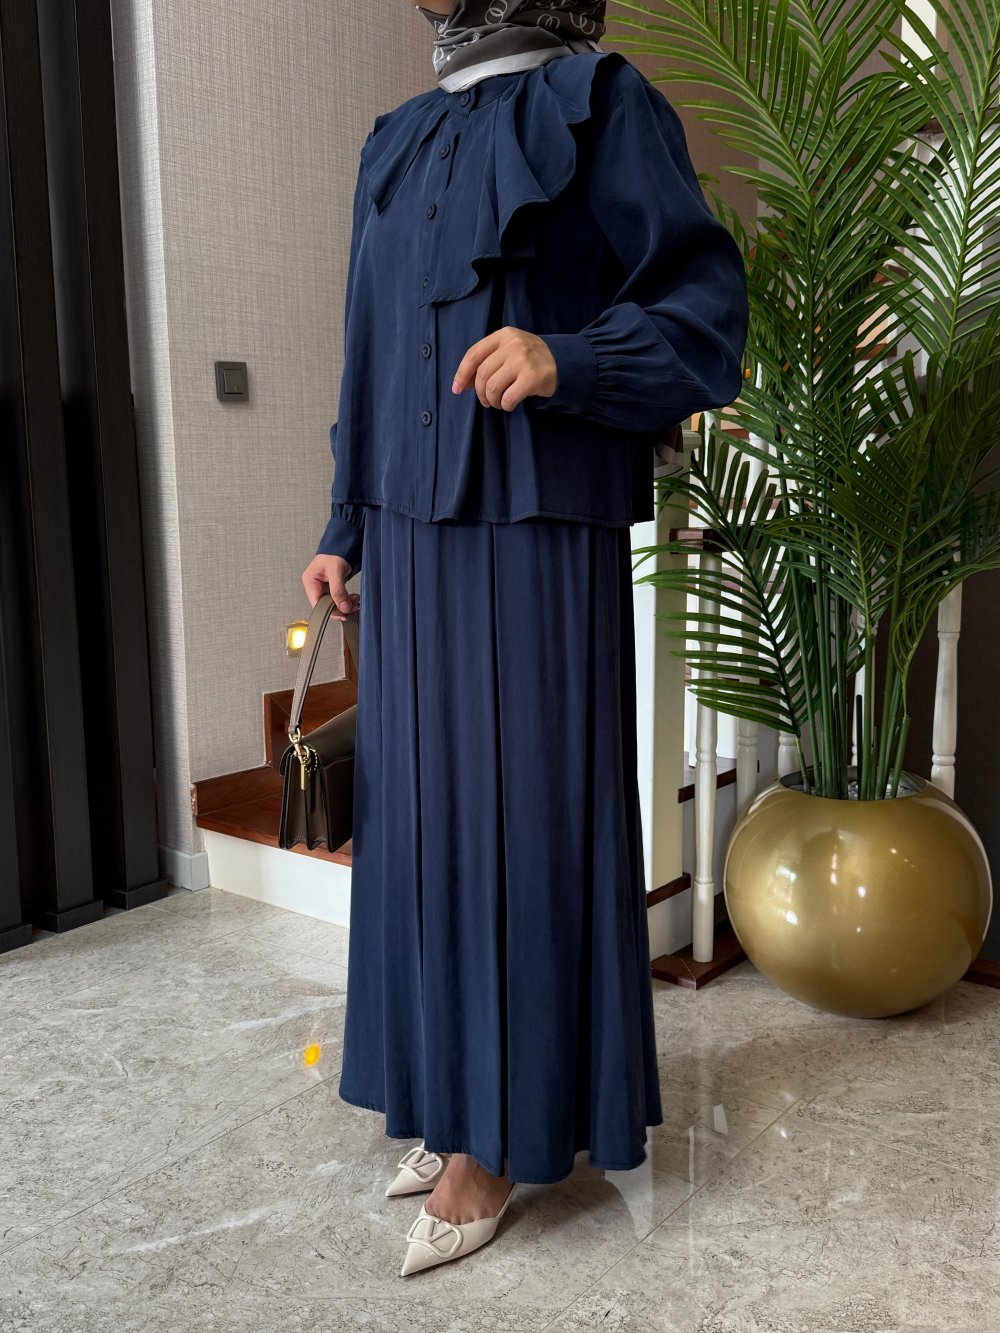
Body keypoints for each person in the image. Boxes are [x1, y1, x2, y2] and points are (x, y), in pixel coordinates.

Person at [300, 0, 748, 1278]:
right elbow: (367, 348)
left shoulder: (599, 103)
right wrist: (342, 524)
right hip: (409, 531)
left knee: (522, 828)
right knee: (423, 834)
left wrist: (567, 360)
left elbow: (705, 304)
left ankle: (501, 1140)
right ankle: (449, 1102)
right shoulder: (394, 139)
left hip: (536, 520)